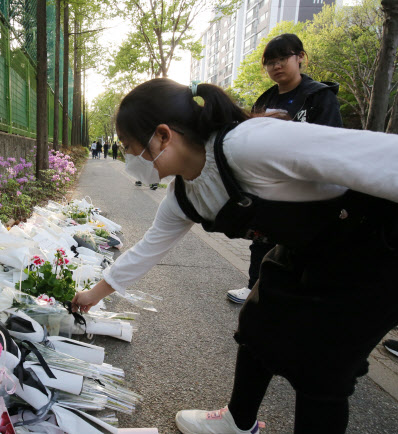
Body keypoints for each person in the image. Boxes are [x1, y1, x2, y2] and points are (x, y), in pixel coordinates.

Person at [71, 78, 398, 433]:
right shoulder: (183, 197)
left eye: (130, 147)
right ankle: (238, 420)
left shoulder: (251, 143)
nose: (129, 159)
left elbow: (385, 159)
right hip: (306, 248)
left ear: (163, 136)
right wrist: (91, 296)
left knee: (323, 368)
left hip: (374, 249)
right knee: (259, 322)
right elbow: (145, 251)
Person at [227, 33, 343, 305]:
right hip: (269, 183)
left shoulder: (318, 97)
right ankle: (254, 286)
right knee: (262, 236)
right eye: (270, 62)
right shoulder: (265, 99)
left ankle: (299, 297)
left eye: (283, 58)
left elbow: (330, 140)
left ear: (300, 57)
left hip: (306, 185)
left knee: (302, 242)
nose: (276, 66)